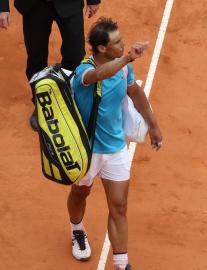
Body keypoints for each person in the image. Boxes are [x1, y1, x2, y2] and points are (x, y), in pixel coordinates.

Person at [68, 17, 163, 270]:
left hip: (115, 148)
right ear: (101, 48)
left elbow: (135, 93)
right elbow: (100, 74)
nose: (122, 45)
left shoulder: (123, 68)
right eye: (117, 42)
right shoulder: (83, 71)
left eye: (122, 41)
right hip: (86, 151)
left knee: (119, 206)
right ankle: (76, 229)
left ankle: (122, 264)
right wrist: (127, 58)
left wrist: (152, 125)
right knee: (80, 193)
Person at [0, 0, 101, 130]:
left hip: (69, 4)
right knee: (36, 59)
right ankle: (42, 103)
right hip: (35, 6)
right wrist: (2, 7)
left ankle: (67, 96)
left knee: (75, 54)